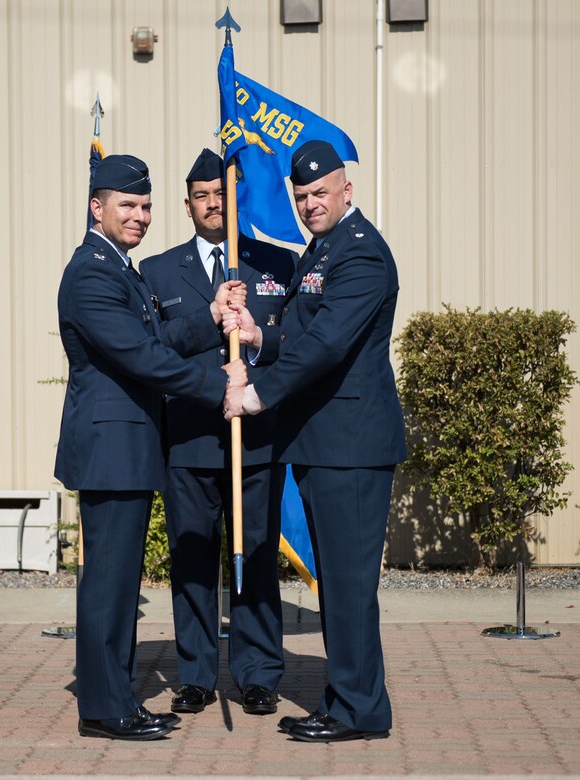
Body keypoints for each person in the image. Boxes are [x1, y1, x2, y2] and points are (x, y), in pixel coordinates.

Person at [54, 153, 247, 741]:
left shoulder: (117, 266)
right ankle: (106, 708)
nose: (139, 216)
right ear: (97, 206)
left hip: (128, 450)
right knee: (108, 588)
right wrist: (221, 385)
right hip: (112, 451)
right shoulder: (91, 272)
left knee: (117, 587)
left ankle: (115, 698)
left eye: (145, 207)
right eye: (128, 206)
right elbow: (140, 356)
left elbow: (155, 336)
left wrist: (208, 319)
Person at [223, 139, 407, 743]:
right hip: (327, 443)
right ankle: (350, 698)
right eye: (300, 196)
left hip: (350, 446)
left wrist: (259, 392)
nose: (308, 204)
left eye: (319, 192)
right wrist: (258, 337)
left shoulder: (361, 255)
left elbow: (327, 345)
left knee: (349, 585)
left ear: (346, 190)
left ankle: (357, 710)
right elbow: (304, 334)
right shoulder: (323, 250)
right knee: (340, 582)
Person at [140, 149, 296, 717]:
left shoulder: (274, 265)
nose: (213, 203)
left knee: (254, 556)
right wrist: (205, 319)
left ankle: (257, 673)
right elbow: (151, 350)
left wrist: (253, 356)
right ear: (187, 205)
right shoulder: (157, 271)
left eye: (222, 193)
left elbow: (294, 347)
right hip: (189, 440)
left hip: (255, 439)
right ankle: (198, 675)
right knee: (193, 560)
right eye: (203, 195)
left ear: (237, 199)